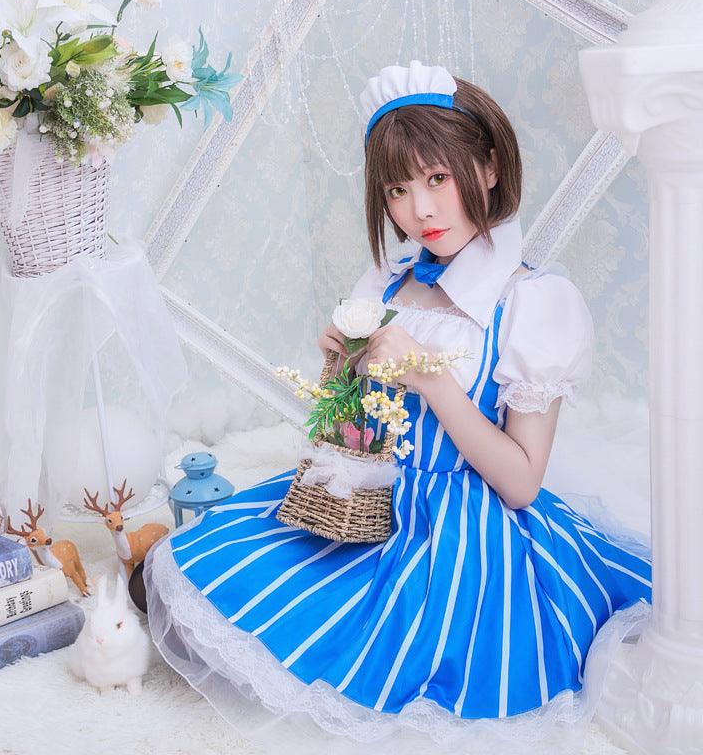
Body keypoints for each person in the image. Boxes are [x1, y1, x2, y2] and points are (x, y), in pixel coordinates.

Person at [144, 61, 652, 754]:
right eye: (398, 189)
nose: (420, 211)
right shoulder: (388, 282)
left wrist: (433, 381)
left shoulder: (532, 304)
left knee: (411, 653)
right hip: (368, 503)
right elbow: (355, 431)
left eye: (438, 178)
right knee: (204, 572)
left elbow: (522, 482)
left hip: (469, 531)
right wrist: (341, 368)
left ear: (489, 168)